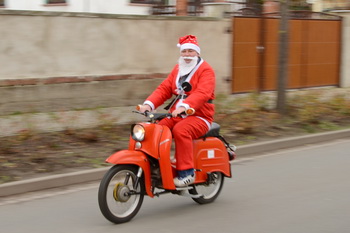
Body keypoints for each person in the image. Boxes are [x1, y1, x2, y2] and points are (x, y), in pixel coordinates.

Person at [138, 35, 215, 187]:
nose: (187, 55)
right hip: (176, 114)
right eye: (184, 51)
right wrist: (148, 104)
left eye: (191, 51)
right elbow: (165, 88)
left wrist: (184, 106)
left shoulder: (206, 71)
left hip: (200, 116)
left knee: (181, 131)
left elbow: (202, 93)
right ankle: (157, 167)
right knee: (157, 129)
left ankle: (187, 173)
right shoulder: (178, 69)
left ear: (197, 53)